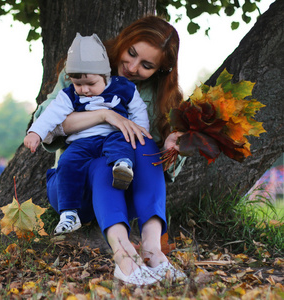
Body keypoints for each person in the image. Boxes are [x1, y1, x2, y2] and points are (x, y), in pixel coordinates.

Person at [35, 16, 187, 285]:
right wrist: (104, 115)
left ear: (161, 70)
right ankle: (125, 257)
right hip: (73, 189)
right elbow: (46, 122)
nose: (132, 66)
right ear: (124, 41)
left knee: (143, 143)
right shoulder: (85, 68)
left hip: (122, 195)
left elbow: (163, 167)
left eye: (147, 65)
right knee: (102, 159)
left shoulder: (165, 97)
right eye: (131, 53)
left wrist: (170, 148)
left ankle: (152, 251)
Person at [24, 33, 150, 236]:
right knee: (67, 164)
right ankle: (69, 214)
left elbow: (138, 111)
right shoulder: (69, 96)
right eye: (77, 84)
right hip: (82, 141)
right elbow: (51, 115)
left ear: (105, 76)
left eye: (91, 84)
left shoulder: (123, 87)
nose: (84, 90)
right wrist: (35, 133)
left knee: (122, 142)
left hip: (113, 134)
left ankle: (123, 167)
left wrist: (141, 132)